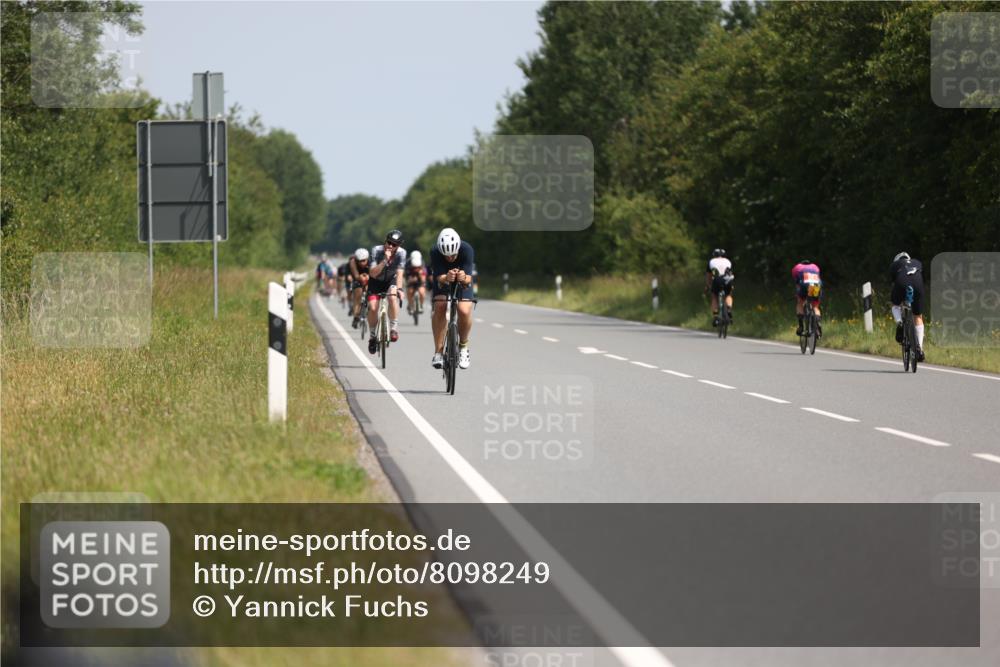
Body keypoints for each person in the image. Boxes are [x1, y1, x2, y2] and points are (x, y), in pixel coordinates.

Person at [430, 227, 475, 370]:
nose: (449, 258)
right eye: (446, 256)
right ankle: (438, 352)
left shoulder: (467, 249)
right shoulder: (435, 251)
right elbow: (438, 276)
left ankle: (463, 347)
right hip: (443, 280)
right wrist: (446, 277)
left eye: (453, 255)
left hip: (463, 282)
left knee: (464, 310)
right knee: (440, 305)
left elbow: (469, 278)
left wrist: (463, 277)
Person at [366, 229, 406, 353]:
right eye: (388, 242)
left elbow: (399, 273)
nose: (390, 246)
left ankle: (393, 328)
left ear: (398, 245)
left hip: (390, 280)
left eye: (394, 244)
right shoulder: (376, 250)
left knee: (393, 296)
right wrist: (384, 260)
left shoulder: (401, 253)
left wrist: (399, 289)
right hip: (375, 281)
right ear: (385, 240)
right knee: (373, 308)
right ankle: (373, 336)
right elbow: (372, 273)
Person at [889, 251, 925, 362]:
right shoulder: (917, 262)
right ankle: (919, 349)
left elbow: (894, 282)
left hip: (901, 282)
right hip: (918, 284)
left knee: (895, 306)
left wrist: (899, 300)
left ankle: (899, 321)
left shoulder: (894, 265)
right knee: (918, 316)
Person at [792, 259, 823, 337]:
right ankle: (818, 323)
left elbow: (797, 282)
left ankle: (801, 326)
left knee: (800, 302)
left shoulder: (797, 267)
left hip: (804, 286)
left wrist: (797, 295)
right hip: (816, 286)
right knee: (815, 306)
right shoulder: (815, 267)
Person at [705, 249, 734, 327]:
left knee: (714, 296)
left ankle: (715, 316)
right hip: (727, 280)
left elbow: (709, 276)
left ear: (714, 255)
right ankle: (728, 309)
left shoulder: (711, 261)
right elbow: (730, 274)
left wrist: (708, 286)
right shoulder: (728, 261)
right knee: (728, 295)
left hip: (717, 280)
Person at [348, 248, 371, 329]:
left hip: (370, 277)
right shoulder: (353, 262)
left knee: (370, 291)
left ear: (367, 258)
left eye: (364, 260)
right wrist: (359, 277)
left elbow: (374, 273)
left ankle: (369, 307)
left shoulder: (372, 261)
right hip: (358, 278)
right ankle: (356, 316)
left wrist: (369, 277)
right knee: (358, 294)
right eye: (359, 261)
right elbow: (356, 275)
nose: (361, 263)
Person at [405, 250, 428, 316]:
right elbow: (406, 277)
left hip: (419, 278)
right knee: (410, 291)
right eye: (415, 267)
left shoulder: (422, 263)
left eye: (418, 267)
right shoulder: (407, 264)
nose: (416, 268)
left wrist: (421, 277)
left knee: (422, 292)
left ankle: (421, 304)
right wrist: (411, 280)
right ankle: (410, 305)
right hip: (410, 277)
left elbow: (424, 276)